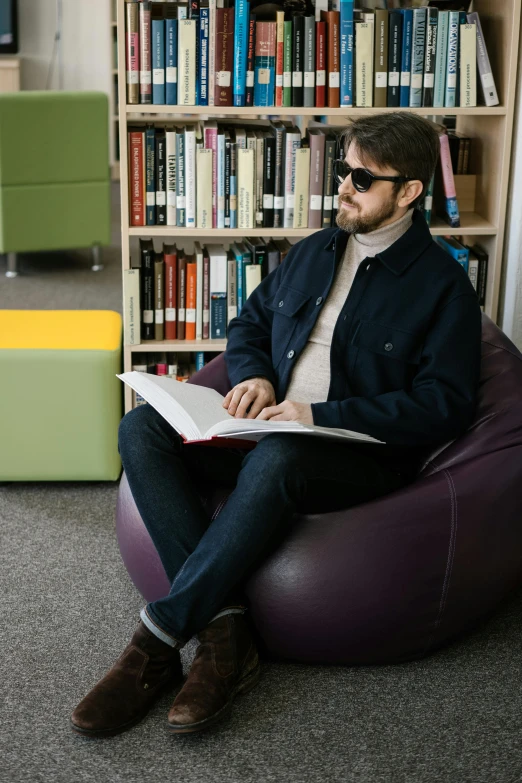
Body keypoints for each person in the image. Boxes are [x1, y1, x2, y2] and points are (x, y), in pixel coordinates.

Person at [70, 111, 482, 738]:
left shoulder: (443, 286)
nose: (341, 187)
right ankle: (226, 631)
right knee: (141, 430)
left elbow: (445, 403)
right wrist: (257, 376)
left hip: (350, 454)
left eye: (362, 180)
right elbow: (249, 325)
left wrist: (317, 414)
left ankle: (155, 643)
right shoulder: (317, 250)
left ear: (409, 192)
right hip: (269, 427)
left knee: (280, 459)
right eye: (342, 170)